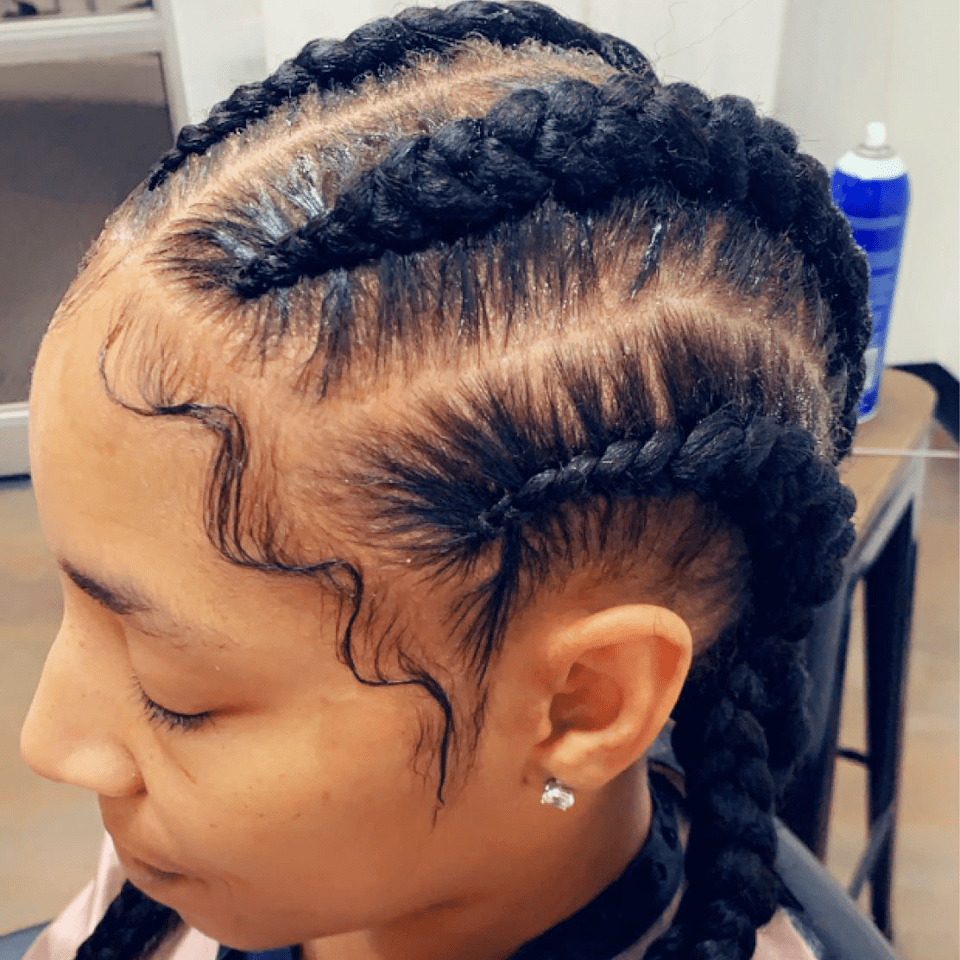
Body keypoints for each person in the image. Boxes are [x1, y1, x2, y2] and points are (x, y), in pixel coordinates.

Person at [18, 3, 871, 959]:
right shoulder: (193, 875)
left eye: (175, 692)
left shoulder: (231, 854)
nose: (47, 740)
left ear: (583, 702)